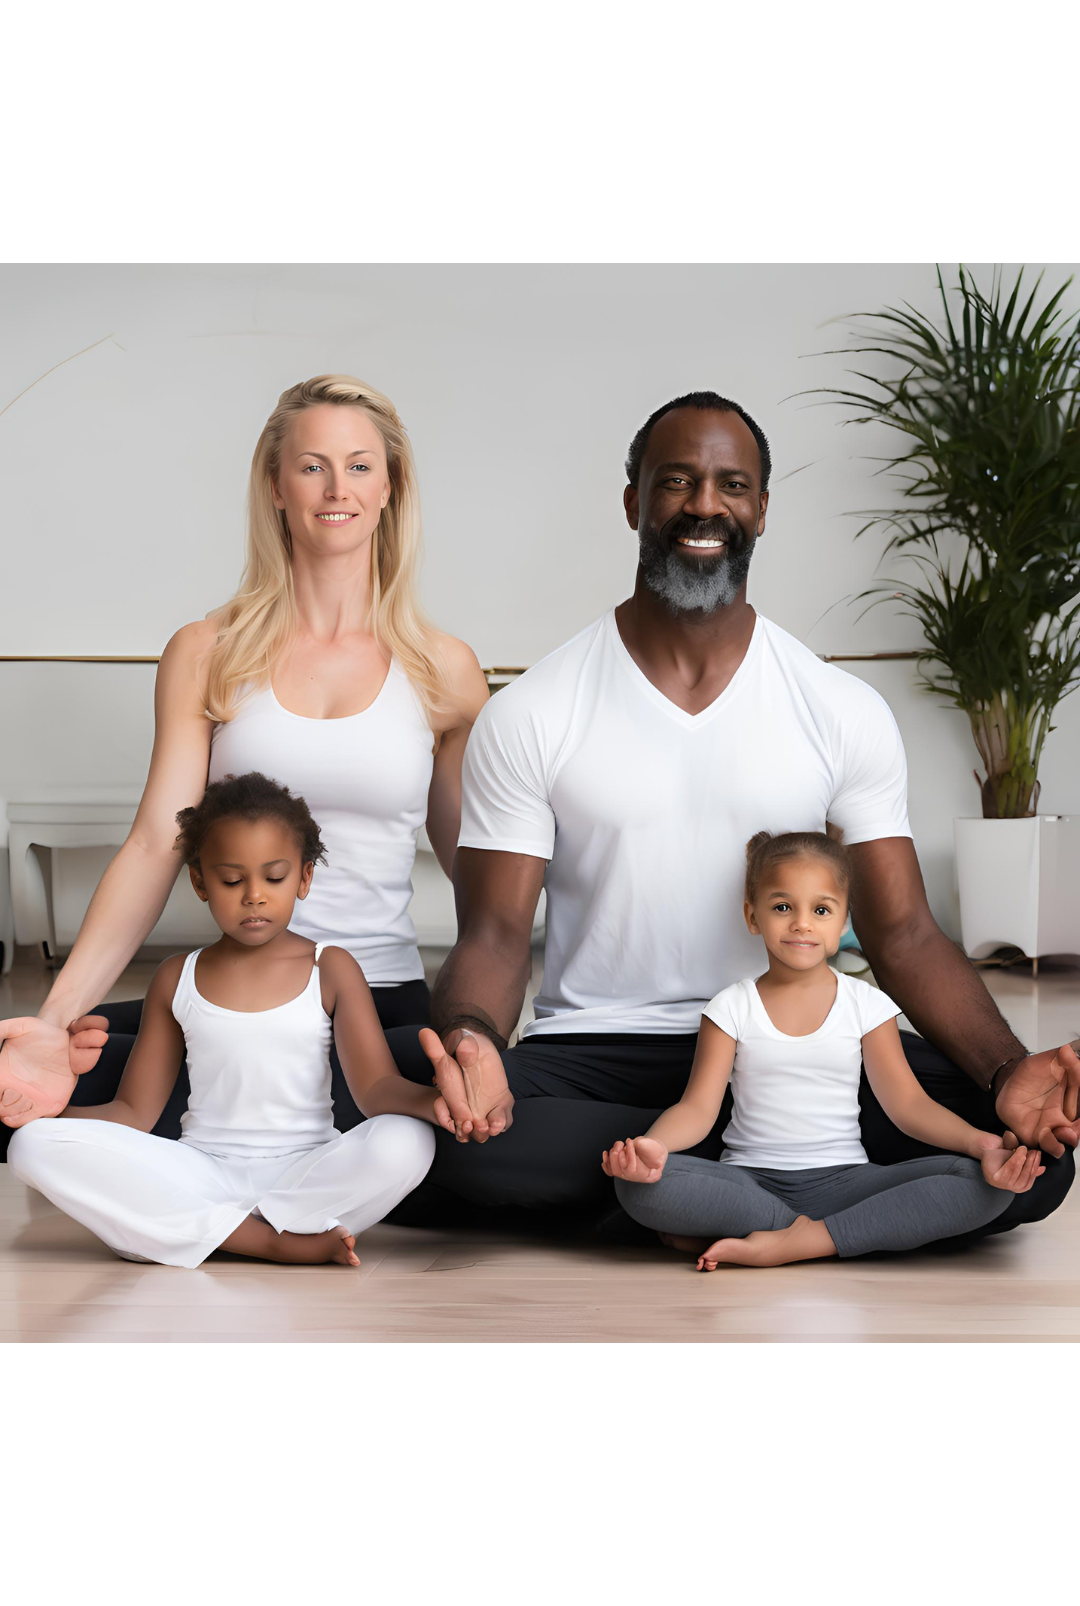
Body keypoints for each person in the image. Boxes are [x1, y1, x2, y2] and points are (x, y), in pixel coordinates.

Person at [410, 390, 1079, 1241]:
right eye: (676, 482)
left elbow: (904, 933)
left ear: (761, 508)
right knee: (427, 1119)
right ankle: (828, 1206)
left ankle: (679, 1197)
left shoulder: (839, 708)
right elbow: (494, 938)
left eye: (731, 484)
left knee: (1035, 1162)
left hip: (803, 1054)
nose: (703, 505)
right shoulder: (536, 710)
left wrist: (1007, 1071)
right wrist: (470, 1042)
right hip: (605, 1054)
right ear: (633, 504)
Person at [0, 374, 488, 1150]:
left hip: (376, 1003)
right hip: (234, 990)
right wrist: (52, 1021)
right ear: (275, 487)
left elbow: (482, 878)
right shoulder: (208, 653)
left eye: (361, 465)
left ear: (391, 486)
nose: (337, 487)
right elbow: (157, 843)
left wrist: (488, 1033)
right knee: (21, 1081)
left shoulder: (444, 671)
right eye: (312, 465)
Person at [5, 774, 444, 1267]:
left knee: (408, 1141)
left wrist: (436, 1102)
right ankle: (274, 1238)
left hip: (305, 1169)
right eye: (232, 881)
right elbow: (133, 1113)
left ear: (304, 878)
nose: (253, 895)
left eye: (273, 877)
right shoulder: (177, 976)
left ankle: (206, 1230)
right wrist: (52, 1113)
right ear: (200, 882)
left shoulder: (332, 967)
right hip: (203, 1170)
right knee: (30, 1146)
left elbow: (376, 1088)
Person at [602, 830, 1045, 1269]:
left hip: (848, 1182)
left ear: (842, 923)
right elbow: (697, 1109)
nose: (801, 923)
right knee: (637, 1187)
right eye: (782, 907)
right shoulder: (730, 1006)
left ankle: (799, 1240)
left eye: (820, 909)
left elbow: (908, 1105)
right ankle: (826, 1233)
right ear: (752, 916)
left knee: (985, 1185)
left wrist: (981, 1144)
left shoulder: (866, 1005)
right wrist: (652, 1147)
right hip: (749, 1184)